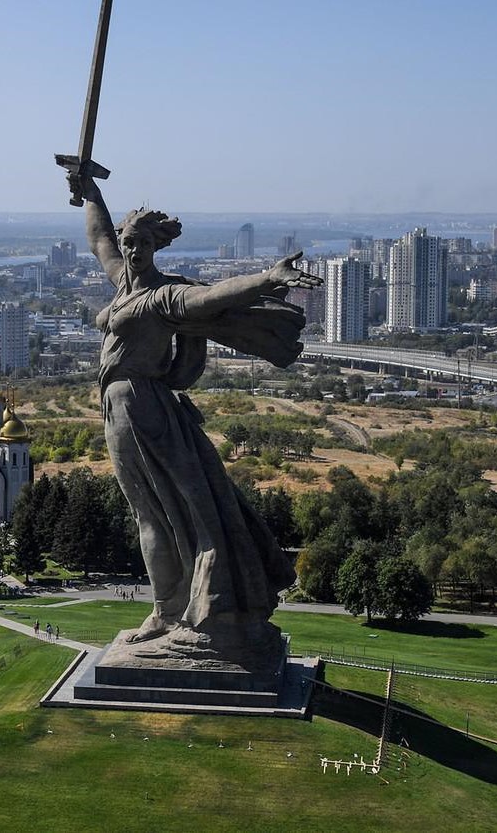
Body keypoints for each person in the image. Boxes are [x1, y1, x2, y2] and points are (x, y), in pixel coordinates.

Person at [76, 175, 322, 669]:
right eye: (129, 243)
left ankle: (182, 611)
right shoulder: (124, 283)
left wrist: (268, 278)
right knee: (153, 511)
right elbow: (99, 237)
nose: (132, 250)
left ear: (155, 247)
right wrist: (91, 192)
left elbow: (213, 298)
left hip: (141, 408)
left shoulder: (163, 298)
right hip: (120, 407)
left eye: (142, 243)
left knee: (175, 511)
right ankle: (168, 611)